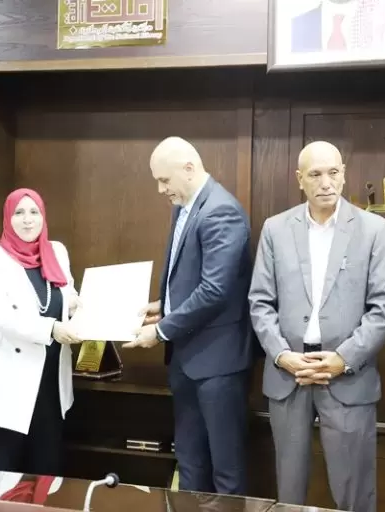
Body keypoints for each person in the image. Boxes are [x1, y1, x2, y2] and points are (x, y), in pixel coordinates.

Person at [248, 141, 385, 511]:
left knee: (354, 491)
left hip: (347, 377)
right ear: (300, 179)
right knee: (289, 492)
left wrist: (343, 359)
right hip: (289, 376)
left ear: (344, 174)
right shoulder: (276, 229)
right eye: (315, 174)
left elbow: (384, 307)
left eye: (333, 172)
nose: (326, 182)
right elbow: (260, 302)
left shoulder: (373, 229)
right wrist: (282, 355)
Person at [124, 136, 253, 495]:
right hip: (185, 361)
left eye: (164, 180)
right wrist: (164, 305)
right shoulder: (184, 206)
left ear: (189, 168)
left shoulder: (221, 211)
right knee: (190, 463)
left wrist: (161, 330)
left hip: (218, 366)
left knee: (226, 471)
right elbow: (190, 277)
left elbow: (215, 290)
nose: (161, 189)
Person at [0, 188, 83, 476]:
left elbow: (68, 293)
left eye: (34, 212)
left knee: (46, 472)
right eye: (19, 213)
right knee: (0, 475)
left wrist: (79, 309)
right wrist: (51, 328)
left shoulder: (57, 251)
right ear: (7, 218)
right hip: (4, 382)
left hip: (49, 382)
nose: (28, 220)